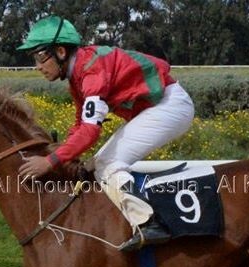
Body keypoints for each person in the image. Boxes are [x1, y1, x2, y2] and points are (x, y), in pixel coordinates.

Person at [17, 16, 195, 251]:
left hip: (170, 106)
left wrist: (50, 161)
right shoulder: (78, 74)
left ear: (60, 51)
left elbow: (90, 132)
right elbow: (80, 124)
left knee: (108, 163)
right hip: (159, 107)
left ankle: (149, 223)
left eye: (40, 57)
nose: (38, 66)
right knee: (95, 164)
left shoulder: (91, 71)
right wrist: (60, 152)